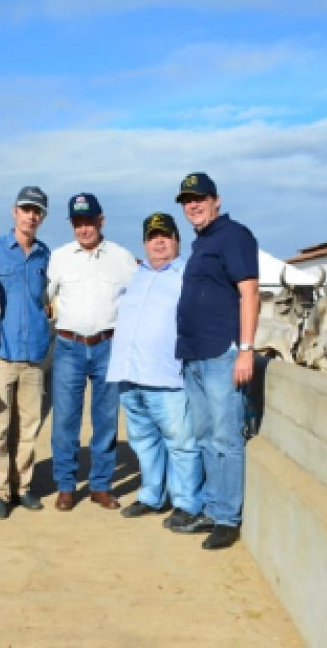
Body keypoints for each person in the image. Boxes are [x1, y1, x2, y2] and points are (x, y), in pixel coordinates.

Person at [170, 172, 259, 550]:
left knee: (225, 437)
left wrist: (246, 349)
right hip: (195, 356)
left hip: (223, 355)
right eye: (187, 199)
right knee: (206, 436)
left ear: (216, 200)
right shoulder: (202, 242)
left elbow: (250, 292)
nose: (193, 204)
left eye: (200, 197)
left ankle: (227, 518)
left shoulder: (234, 235)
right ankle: (211, 506)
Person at [106, 213, 203, 522]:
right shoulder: (137, 275)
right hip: (129, 374)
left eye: (165, 235)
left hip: (167, 376)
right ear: (145, 243)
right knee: (143, 442)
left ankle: (187, 503)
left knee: (181, 443)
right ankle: (152, 495)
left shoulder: (188, 274)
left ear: (177, 240)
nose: (158, 241)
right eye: (152, 236)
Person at [46, 193, 138, 511]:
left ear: (101, 220)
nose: (84, 229)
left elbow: (140, 295)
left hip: (108, 346)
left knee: (106, 420)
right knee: (65, 421)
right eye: (78, 223)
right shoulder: (58, 258)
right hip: (69, 346)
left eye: (89, 222)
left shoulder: (122, 257)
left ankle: (100, 485)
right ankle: (66, 485)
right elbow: (42, 297)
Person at [0, 187, 53, 520]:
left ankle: (23, 488)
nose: (31, 216)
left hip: (35, 355)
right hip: (2, 355)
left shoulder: (45, 255)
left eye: (37, 211)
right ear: (14, 212)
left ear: (42, 217)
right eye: (26, 209)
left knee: (29, 427)